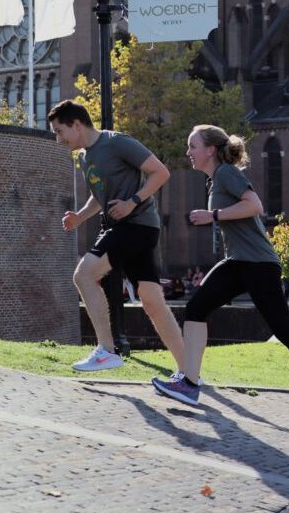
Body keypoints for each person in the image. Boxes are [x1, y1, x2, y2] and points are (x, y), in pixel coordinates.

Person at [151, 125, 289, 426]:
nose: (188, 152)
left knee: (283, 329)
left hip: (258, 264)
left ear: (211, 150)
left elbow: (255, 206)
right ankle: (189, 383)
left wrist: (212, 216)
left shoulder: (227, 173)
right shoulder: (216, 180)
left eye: (193, 146)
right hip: (239, 262)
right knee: (197, 307)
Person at [48, 100, 185, 373]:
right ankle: (188, 369)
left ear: (76, 125)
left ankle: (107, 350)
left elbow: (161, 172)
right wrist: (79, 217)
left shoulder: (117, 143)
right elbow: (99, 198)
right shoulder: (86, 157)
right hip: (128, 228)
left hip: (136, 225)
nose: (58, 139)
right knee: (151, 300)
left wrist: (133, 202)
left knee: (83, 275)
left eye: (60, 131)